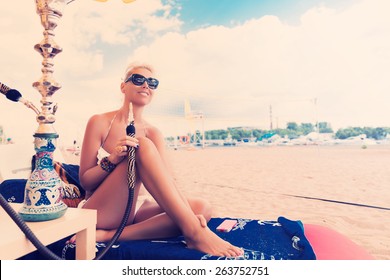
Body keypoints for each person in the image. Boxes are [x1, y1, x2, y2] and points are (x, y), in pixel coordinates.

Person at [72, 62, 243, 257]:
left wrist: (190, 215)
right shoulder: (99, 122)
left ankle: (110, 235)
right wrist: (112, 159)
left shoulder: (154, 133)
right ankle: (194, 234)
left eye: (152, 83)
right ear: (123, 86)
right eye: (138, 79)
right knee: (141, 145)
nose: (146, 85)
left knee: (201, 208)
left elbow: (168, 181)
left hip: (137, 207)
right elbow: (86, 180)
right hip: (101, 209)